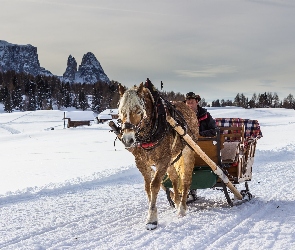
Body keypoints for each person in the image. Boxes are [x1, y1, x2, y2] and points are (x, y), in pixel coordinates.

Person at [184, 92, 217, 202]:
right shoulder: (182, 116)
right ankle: (188, 190)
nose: (189, 105)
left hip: (205, 148)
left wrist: (200, 135)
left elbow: (214, 130)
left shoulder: (205, 115)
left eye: (192, 102)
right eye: (187, 103)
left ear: (197, 102)